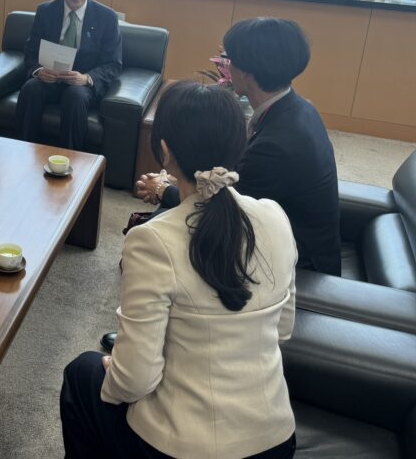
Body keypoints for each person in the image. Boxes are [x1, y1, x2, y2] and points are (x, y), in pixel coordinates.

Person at [61, 81, 298, 459]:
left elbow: (134, 381)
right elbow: (283, 329)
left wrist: (113, 368)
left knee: (82, 372)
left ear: (165, 152)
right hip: (276, 442)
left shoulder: (152, 240)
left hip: (181, 449)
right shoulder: (274, 216)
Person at [138, 18, 341, 275]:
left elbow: (222, 207)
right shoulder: (297, 107)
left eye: (229, 58)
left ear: (247, 71)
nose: (226, 66)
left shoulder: (277, 146)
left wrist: (162, 189)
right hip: (290, 231)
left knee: (151, 236)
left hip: (298, 260)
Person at [17, 0, 122, 151]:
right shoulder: (45, 12)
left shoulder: (107, 17)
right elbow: (30, 51)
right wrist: (38, 71)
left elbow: (113, 63)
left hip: (82, 85)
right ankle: (23, 152)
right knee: (31, 89)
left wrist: (86, 78)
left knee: (75, 96)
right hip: (50, 79)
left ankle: (69, 161)